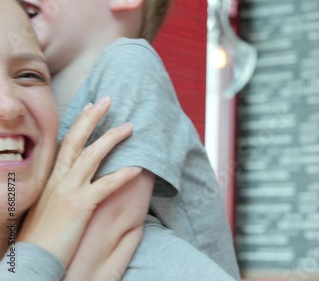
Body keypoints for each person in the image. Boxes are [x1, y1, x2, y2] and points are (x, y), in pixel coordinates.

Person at [0, 1, 237, 280]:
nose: (10, 105)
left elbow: (112, 224)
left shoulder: (128, 60)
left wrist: (35, 261)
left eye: (29, 75)